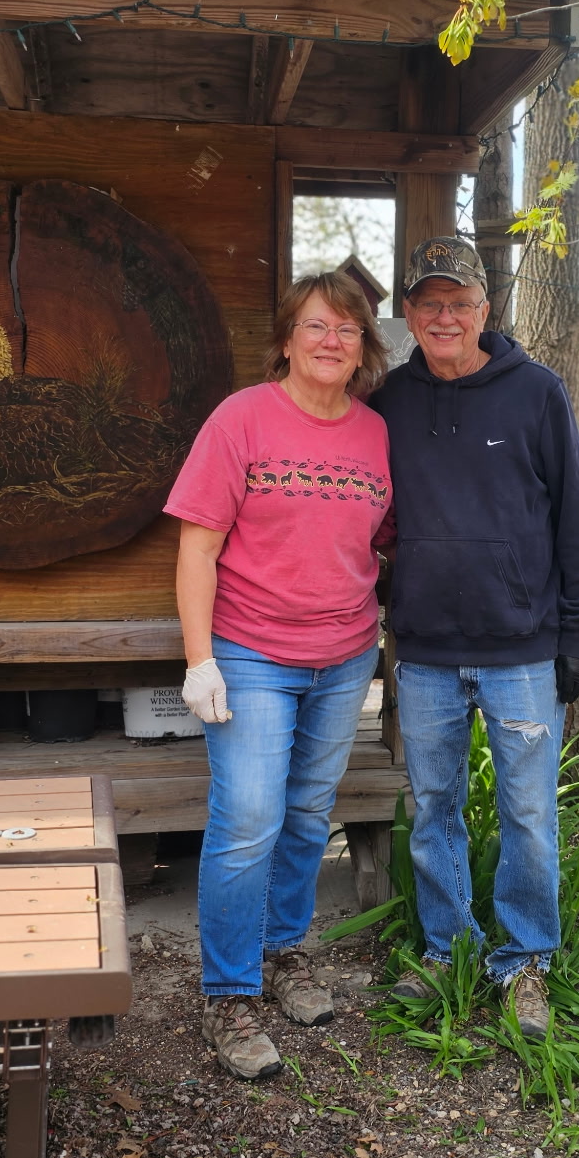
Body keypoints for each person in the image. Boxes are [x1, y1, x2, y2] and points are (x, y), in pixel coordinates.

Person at [368, 237, 579, 1038]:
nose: (444, 316)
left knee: (529, 813)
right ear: (409, 313)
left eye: (459, 302)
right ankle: (448, 952)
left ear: (485, 310)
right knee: (434, 806)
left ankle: (527, 959)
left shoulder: (535, 393)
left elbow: (576, 516)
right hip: (427, 649)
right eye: (429, 303)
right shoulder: (389, 402)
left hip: (523, 652)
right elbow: (369, 517)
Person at [164, 270, 392, 1079]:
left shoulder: (374, 433)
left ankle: (283, 951)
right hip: (253, 655)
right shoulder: (242, 419)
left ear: (364, 347)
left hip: (346, 655)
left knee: (304, 815)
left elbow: (382, 541)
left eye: (349, 330)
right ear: (289, 337)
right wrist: (200, 661)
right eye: (317, 326)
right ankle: (230, 993)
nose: (332, 342)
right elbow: (198, 545)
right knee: (250, 817)